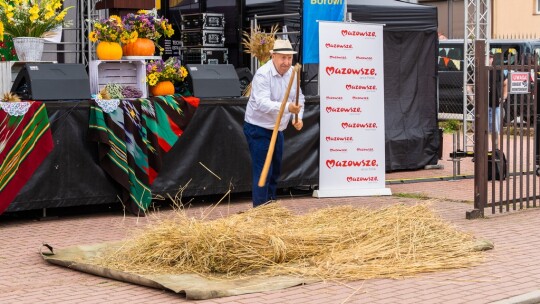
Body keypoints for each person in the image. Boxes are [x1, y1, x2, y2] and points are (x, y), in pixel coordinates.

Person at [243, 39, 305, 207]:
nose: (286, 62)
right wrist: (288, 108)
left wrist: (297, 117)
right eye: (282, 58)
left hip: (278, 129)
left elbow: (300, 99)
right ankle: (261, 209)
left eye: (289, 58)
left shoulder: (293, 72)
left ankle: (271, 207)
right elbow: (262, 104)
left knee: (275, 170)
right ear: (273, 56)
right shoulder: (263, 74)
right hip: (258, 127)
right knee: (264, 169)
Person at [488, 53, 508, 148]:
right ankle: (480, 154)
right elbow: (468, 86)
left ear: (492, 59)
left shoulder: (498, 71)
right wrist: (472, 99)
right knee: (480, 131)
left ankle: (495, 152)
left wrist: (504, 96)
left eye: (490, 57)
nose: (488, 59)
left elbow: (506, 84)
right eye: (486, 57)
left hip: (495, 105)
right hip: (481, 106)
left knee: (496, 131)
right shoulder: (476, 70)